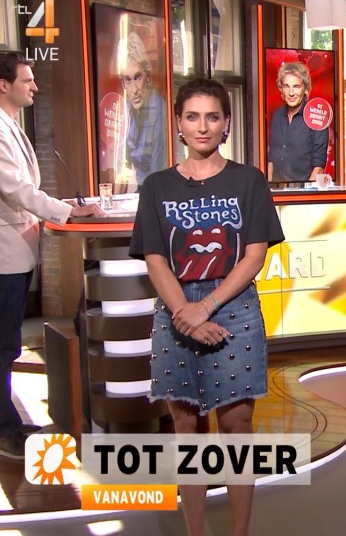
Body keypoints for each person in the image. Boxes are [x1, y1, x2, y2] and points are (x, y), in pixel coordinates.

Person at [129, 78, 283, 536]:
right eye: (192, 117)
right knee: (187, 428)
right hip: (175, 306)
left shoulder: (248, 180)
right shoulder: (156, 186)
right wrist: (186, 313)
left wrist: (208, 306)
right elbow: (155, 258)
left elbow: (254, 255)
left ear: (226, 124)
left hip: (234, 307)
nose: (202, 126)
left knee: (236, 424)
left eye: (212, 117)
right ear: (178, 123)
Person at [0, 52, 104, 459]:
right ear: (3, 85)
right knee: (3, 342)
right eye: (27, 80)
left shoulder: (4, 122)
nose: (34, 87)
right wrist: (65, 211)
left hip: (14, 243)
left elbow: (23, 189)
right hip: (2, 246)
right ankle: (4, 434)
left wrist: (64, 206)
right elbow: (15, 189)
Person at [118, 31, 167, 190]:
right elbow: (122, 167)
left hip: (158, 189)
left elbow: (158, 172)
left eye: (138, 77)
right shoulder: (126, 108)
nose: (134, 90)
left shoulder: (159, 111)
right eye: (128, 80)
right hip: (140, 190)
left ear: (149, 78)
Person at [267, 61, 328, 182]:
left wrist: (305, 192)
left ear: (305, 89)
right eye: (286, 86)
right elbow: (272, 158)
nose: (291, 93)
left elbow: (319, 167)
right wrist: (268, 187)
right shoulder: (277, 115)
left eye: (296, 87)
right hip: (277, 188)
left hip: (303, 189)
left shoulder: (317, 118)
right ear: (281, 89)